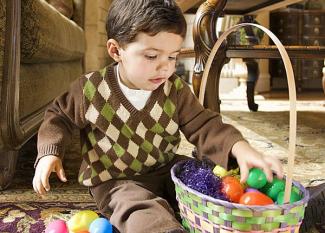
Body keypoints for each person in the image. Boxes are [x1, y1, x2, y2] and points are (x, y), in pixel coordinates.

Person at [33, 0, 283, 232]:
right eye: (152, 56)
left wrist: (239, 148)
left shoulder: (174, 89)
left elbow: (203, 124)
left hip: (166, 167)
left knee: (210, 177)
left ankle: (271, 207)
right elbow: (59, 115)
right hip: (116, 180)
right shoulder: (90, 90)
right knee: (139, 209)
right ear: (116, 50)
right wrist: (50, 152)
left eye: (172, 56)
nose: (165, 66)